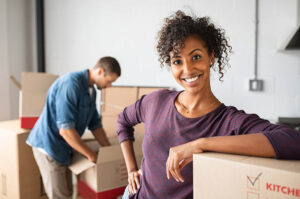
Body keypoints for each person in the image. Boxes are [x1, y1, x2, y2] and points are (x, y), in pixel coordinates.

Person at [118, 11, 300, 199]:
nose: (187, 69)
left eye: (196, 57)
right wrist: (131, 169)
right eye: (177, 61)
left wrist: (201, 144)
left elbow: (294, 141)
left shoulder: (230, 122)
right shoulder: (155, 101)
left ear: (211, 57)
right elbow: (123, 120)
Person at [26, 56, 121, 199]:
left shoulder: (91, 91)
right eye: (109, 82)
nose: (109, 86)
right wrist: (91, 155)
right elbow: (66, 130)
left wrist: (108, 151)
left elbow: (95, 126)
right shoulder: (70, 85)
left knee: (69, 193)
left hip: (64, 148)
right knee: (60, 196)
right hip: (49, 146)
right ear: (100, 71)